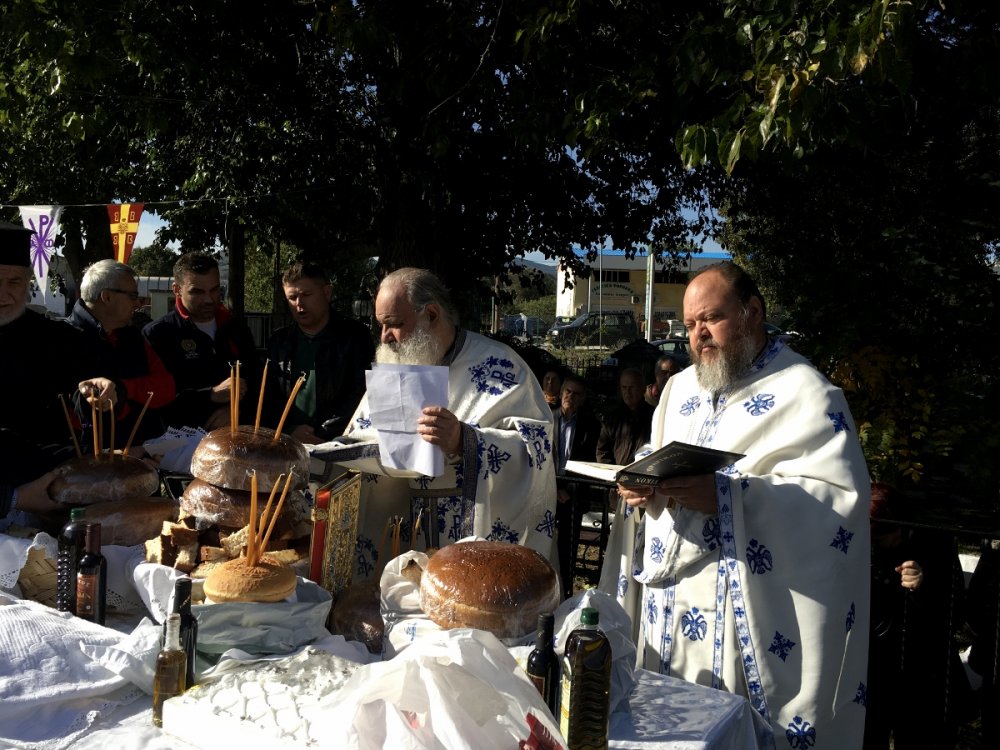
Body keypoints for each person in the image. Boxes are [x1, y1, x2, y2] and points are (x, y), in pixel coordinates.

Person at [604, 261, 871, 748]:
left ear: (752, 313)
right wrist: (644, 484)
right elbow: (658, 453)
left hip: (742, 606)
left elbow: (837, 503)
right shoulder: (682, 387)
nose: (698, 335)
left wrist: (730, 497)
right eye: (688, 325)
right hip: (671, 606)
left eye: (711, 319)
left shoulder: (806, 392)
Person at [336, 267, 557, 579]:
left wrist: (465, 440)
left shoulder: (502, 367)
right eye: (381, 325)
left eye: (395, 324)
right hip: (401, 540)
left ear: (431, 314)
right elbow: (358, 439)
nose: (385, 337)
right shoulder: (394, 367)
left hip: (475, 546)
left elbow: (536, 449)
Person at [0, 223, 109, 530]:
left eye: (14, 282)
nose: (3, 295)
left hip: (51, 489)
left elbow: (85, 393)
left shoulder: (58, 339)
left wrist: (100, 393)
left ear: (28, 283)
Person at [865, 483, 971, 749]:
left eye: (879, 537)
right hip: (874, 666)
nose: (874, 543)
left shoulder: (936, 543)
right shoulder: (861, 546)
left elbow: (955, 611)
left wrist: (925, 584)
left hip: (926, 671)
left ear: (898, 527)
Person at [65, 260, 176, 450]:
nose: (138, 303)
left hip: (142, 452)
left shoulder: (132, 335)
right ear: (106, 296)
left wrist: (124, 389)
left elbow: (166, 388)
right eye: (133, 296)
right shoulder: (62, 338)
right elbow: (67, 411)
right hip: (86, 462)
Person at [143, 252, 260, 430]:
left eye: (214, 290)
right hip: (180, 447)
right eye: (197, 292)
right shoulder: (158, 334)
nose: (208, 299)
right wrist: (210, 395)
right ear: (176, 289)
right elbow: (153, 400)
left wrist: (237, 410)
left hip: (237, 440)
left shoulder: (236, 329)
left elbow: (259, 382)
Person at [265, 261, 374, 444]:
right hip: (288, 444)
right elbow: (268, 396)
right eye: (292, 297)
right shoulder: (279, 342)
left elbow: (361, 393)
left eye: (306, 294)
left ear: (327, 292)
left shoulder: (354, 337)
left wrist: (322, 433)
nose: (299, 303)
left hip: (339, 443)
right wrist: (288, 430)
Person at [553, 374, 601, 597]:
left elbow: (589, 460)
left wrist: (570, 489)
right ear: (561, 392)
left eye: (576, 394)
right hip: (548, 489)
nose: (570, 397)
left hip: (573, 492)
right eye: (567, 391)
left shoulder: (590, 426)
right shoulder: (548, 419)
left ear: (583, 399)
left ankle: (566, 592)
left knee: (568, 548)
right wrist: (554, 488)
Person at [597, 367, 654, 466]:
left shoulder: (654, 416)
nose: (627, 392)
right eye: (624, 387)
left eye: (632, 387)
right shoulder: (611, 419)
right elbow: (602, 451)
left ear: (643, 389)